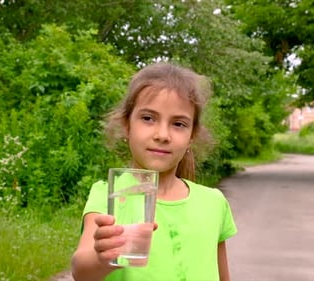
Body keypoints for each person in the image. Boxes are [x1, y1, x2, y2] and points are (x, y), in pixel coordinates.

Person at [71, 62, 237, 281]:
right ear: (127, 125)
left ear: (192, 136)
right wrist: (101, 258)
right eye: (148, 118)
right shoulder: (108, 195)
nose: (162, 135)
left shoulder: (213, 202)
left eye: (178, 124)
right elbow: (81, 271)